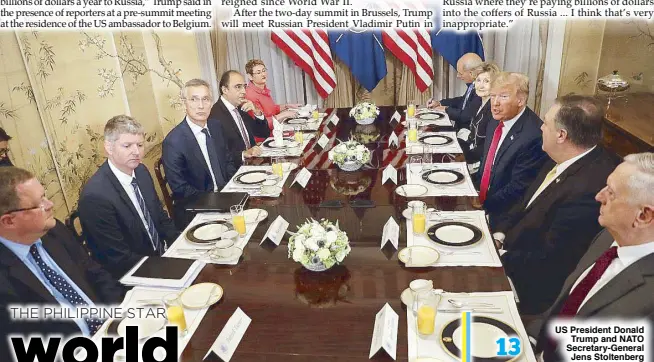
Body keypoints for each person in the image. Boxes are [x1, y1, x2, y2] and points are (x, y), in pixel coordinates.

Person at [494, 95, 619, 314]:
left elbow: (551, 260)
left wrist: (499, 257)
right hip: (510, 248)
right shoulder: (562, 155)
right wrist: (499, 234)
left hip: (527, 286)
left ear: (562, 135)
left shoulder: (589, 189)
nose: (541, 127)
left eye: (546, 123)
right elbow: (525, 203)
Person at [528, 153, 654, 361]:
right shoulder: (607, 236)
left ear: (643, 216)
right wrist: (530, 338)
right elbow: (563, 306)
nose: (599, 196)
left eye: (611, 193)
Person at [0, 167, 124, 357]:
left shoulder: (53, 230)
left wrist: (122, 314)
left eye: (45, 196)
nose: (50, 204)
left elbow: (94, 272)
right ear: (8, 221)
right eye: (39, 204)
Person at [79, 115, 180, 278]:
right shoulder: (95, 197)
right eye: (127, 146)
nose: (136, 152)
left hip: (161, 255)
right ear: (109, 148)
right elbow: (118, 259)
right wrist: (167, 267)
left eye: (140, 145)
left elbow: (160, 217)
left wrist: (182, 245)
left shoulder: (141, 171)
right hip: (132, 275)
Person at [476, 72, 547, 228]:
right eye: (493, 96)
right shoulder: (496, 119)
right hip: (481, 202)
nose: (494, 103)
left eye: (503, 97)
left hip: (503, 217)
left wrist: (478, 207)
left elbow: (517, 188)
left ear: (520, 100)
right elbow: (487, 165)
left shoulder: (533, 135)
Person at [162, 79, 237, 225]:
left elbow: (227, 161)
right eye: (194, 100)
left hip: (227, 196)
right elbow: (180, 189)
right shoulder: (173, 142)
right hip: (197, 208)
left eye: (206, 99)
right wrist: (217, 201)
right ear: (184, 103)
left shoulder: (216, 126)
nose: (201, 106)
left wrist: (232, 190)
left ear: (211, 102)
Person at [209, 70, 271, 167]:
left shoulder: (240, 108)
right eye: (238, 87)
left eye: (244, 87)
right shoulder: (214, 116)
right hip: (235, 172)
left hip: (254, 164)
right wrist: (243, 154)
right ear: (225, 90)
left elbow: (263, 133)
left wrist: (257, 112)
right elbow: (218, 155)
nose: (243, 91)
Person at [456, 62, 501, 173]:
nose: (481, 85)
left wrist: (463, 156)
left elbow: (487, 147)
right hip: (470, 152)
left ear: (495, 85)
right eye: (478, 80)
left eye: (486, 81)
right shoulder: (478, 102)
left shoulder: (494, 110)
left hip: (479, 163)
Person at [427, 52, 483, 128]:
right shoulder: (473, 85)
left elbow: (465, 116)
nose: (458, 76)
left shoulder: (481, 90)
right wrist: (440, 103)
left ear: (471, 73)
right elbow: (462, 101)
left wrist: (446, 109)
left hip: (467, 132)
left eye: (460, 73)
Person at [244, 59, 300, 130]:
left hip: (274, 130)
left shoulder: (262, 89)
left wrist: (287, 106)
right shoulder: (250, 95)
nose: (263, 74)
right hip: (263, 138)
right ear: (250, 76)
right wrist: (284, 114)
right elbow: (261, 124)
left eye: (264, 70)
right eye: (258, 73)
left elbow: (271, 110)